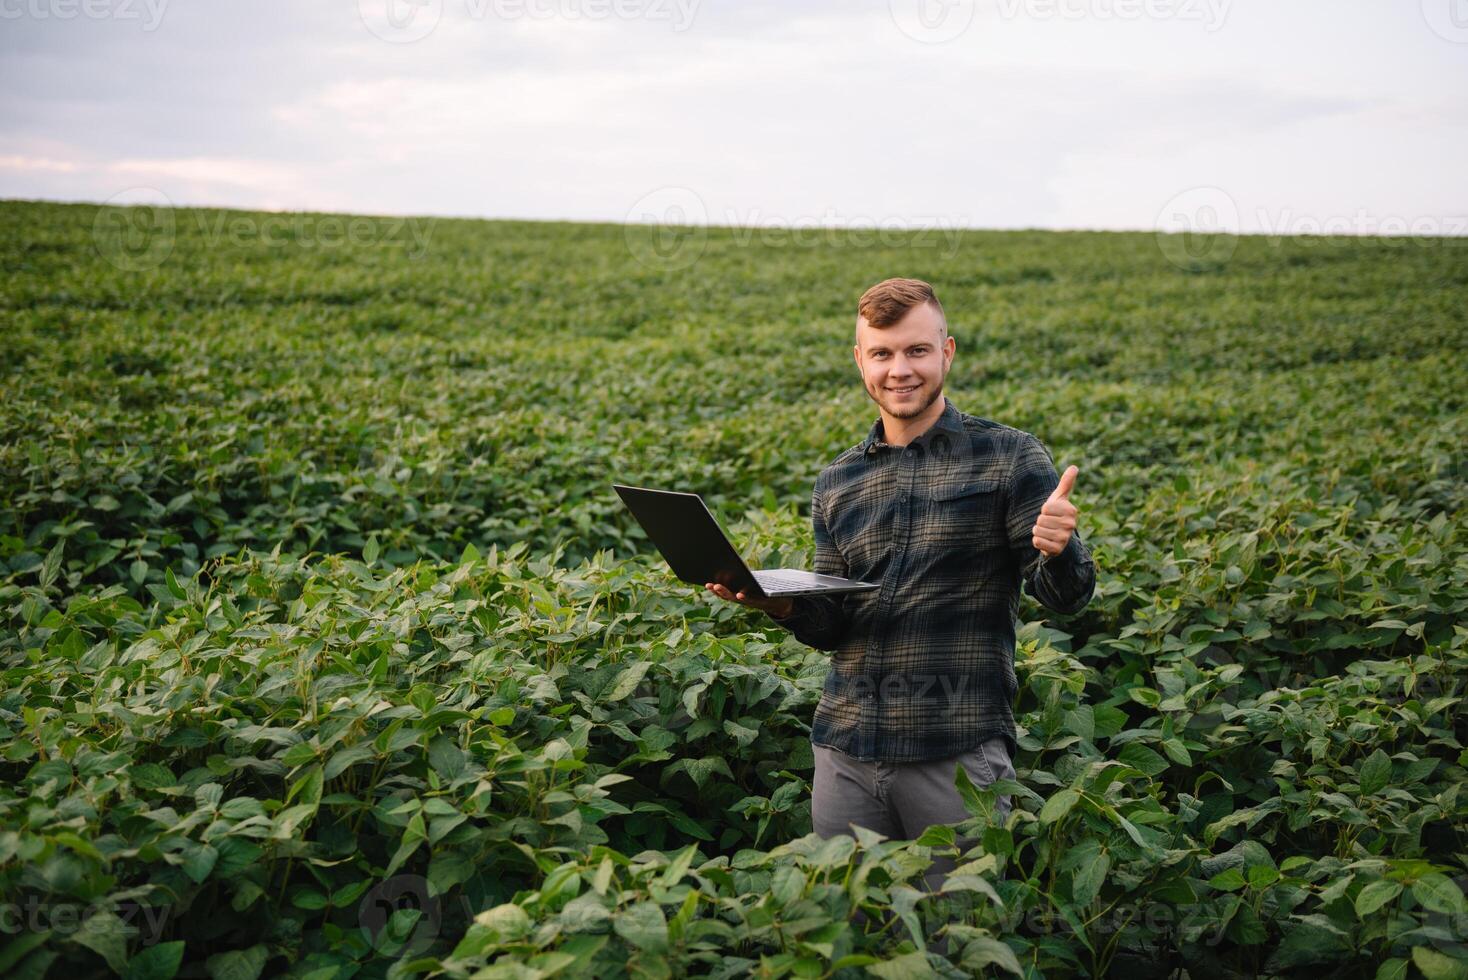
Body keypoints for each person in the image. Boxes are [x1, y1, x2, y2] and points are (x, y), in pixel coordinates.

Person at [706, 277, 1096, 895]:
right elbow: (833, 626)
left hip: (955, 752)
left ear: (947, 352)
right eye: (882, 354)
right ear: (861, 361)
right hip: (845, 752)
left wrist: (1059, 547)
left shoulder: (1009, 458)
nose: (900, 370)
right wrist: (776, 601)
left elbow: (1065, 596)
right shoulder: (839, 481)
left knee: (956, 939)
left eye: (916, 350)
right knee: (847, 933)